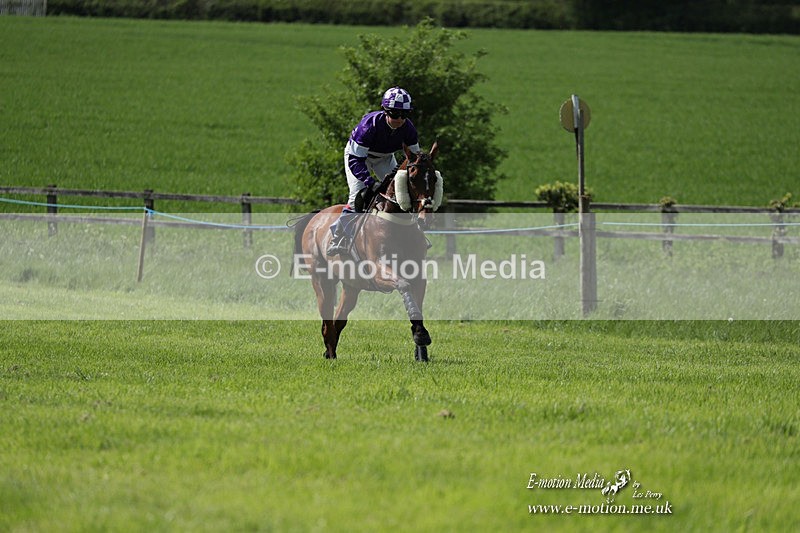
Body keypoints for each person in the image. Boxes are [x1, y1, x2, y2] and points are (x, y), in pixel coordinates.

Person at [326, 86, 422, 256]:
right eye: (394, 114)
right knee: (358, 195)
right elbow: (355, 160)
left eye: (404, 115)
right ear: (385, 112)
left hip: (384, 158)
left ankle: (411, 234)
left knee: (401, 194)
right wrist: (370, 182)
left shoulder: (409, 129)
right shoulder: (368, 126)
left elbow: (414, 158)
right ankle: (339, 236)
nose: (399, 119)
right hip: (359, 158)